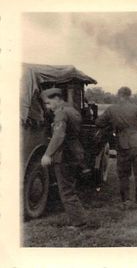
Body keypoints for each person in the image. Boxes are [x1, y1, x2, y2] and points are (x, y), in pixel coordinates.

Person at [95, 86, 137, 210]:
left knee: (123, 175)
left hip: (122, 145)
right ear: (129, 96)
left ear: (119, 95)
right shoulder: (136, 108)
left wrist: (111, 123)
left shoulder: (112, 109)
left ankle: (126, 202)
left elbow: (98, 123)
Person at [40, 88, 87, 229]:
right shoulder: (72, 110)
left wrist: (48, 154)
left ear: (56, 98)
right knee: (70, 188)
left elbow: (59, 135)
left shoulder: (61, 113)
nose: (48, 107)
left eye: (48, 103)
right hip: (75, 152)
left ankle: (79, 223)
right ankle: (79, 219)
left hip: (65, 155)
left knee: (66, 190)